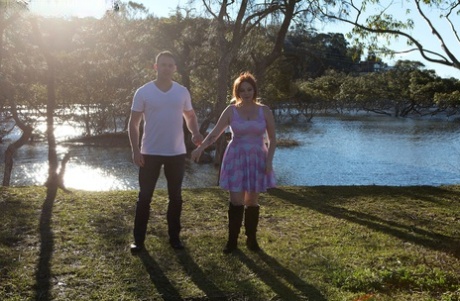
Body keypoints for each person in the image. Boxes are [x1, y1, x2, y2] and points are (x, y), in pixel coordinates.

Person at [191, 72, 276, 253]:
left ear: (254, 90)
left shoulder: (265, 111)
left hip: (257, 159)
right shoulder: (231, 111)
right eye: (242, 90)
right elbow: (215, 134)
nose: (246, 93)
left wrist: (269, 161)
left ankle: (251, 241)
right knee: (236, 200)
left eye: (249, 89)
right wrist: (200, 148)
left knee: (251, 202)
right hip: (236, 158)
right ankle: (232, 242)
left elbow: (273, 139)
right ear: (237, 92)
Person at [129, 51, 203, 252]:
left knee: (176, 197)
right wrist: (136, 150)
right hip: (149, 153)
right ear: (156, 67)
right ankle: (138, 241)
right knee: (145, 197)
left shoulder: (182, 92)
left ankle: (174, 239)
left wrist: (195, 132)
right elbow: (133, 124)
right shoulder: (143, 92)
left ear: (175, 69)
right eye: (163, 64)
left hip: (176, 153)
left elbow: (190, 116)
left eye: (170, 65)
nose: (166, 68)